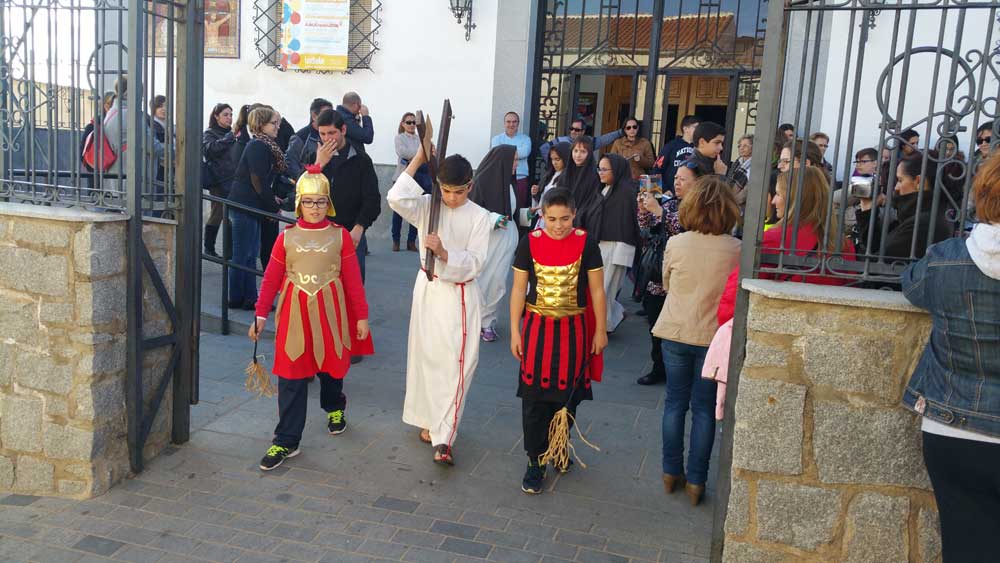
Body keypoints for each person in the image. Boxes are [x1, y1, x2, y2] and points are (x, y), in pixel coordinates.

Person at [899, 152, 1000, 563]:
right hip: (955, 431)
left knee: (964, 546)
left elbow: (911, 284)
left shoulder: (945, 260)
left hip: (953, 431)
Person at [248, 166, 374, 471]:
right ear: (299, 203)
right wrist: (261, 314)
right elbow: (271, 278)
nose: (314, 208)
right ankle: (287, 439)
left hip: (332, 310)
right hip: (294, 312)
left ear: (327, 202)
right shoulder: (286, 238)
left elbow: (353, 281)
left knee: (331, 367)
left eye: (320, 202)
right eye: (309, 201)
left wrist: (361, 317)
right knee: (291, 373)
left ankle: (334, 407)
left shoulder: (340, 236)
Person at [388, 134, 493, 466]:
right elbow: (395, 197)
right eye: (446, 190)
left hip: (457, 294)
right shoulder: (428, 205)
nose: (450, 198)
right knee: (425, 356)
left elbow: (476, 263)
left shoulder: (479, 217)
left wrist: (445, 252)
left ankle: (445, 436)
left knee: (456, 363)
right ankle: (429, 418)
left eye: (458, 192)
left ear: (470, 186)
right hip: (427, 290)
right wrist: (419, 158)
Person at [509, 187, 607, 494]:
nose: (558, 225)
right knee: (534, 399)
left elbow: (597, 291)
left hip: (574, 330)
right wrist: (514, 330)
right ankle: (535, 460)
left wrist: (600, 330)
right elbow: (518, 290)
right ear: (543, 215)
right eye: (551, 218)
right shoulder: (529, 242)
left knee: (567, 397)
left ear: (574, 215)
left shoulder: (586, 243)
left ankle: (560, 447)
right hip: (537, 329)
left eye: (565, 218)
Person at [652, 176, 741, 506]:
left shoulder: (677, 243)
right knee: (704, 410)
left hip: (675, 330)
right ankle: (697, 482)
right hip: (712, 338)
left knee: (674, 403)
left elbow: (666, 281)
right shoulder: (737, 250)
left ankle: (669, 472)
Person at [717, 166, 857, 325]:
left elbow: (735, 297)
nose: (773, 201)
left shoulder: (774, 240)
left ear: (794, 199)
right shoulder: (843, 245)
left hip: (777, 330)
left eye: (778, 194)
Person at [635, 161, 701, 385]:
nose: (677, 182)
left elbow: (683, 231)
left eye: (683, 179)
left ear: (697, 183)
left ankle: (680, 372)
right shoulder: (671, 203)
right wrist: (644, 210)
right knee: (655, 326)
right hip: (658, 273)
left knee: (678, 329)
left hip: (683, 277)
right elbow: (647, 230)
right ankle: (658, 368)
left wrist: (658, 211)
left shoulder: (700, 208)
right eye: (676, 178)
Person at [225, 107, 286, 310]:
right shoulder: (258, 145)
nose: (278, 127)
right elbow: (257, 179)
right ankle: (239, 298)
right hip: (245, 204)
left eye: (277, 122)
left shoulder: (263, 144)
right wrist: (271, 206)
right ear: (261, 125)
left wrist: (272, 199)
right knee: (243, 254)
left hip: (249, 204)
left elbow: (261, 181)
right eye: (273, 123)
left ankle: (247, 298)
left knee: (249, 253)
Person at [312, 108, 381, 282]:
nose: (327, 139)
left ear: (343, 130)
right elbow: (302, 193)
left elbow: (372, 200)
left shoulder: (361, 160)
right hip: (318, 233)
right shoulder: (314, 156)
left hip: (350, 233)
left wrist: (359, 228)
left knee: (352, 286)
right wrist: (318, 165)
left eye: (332, 133)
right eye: (322, 134)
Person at [578, 153, 640, 333]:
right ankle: (608, 320)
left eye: (605, 169)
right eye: (599, 168)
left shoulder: (626, 193)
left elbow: (627, 226)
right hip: (601, 246)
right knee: (601, 288)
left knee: (606, 289)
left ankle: (603, 325)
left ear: (617, 170)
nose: (600, 173)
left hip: (616, 248)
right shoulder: (605, 189)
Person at [856, 151, 953, 259]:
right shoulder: (918, 215)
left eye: (900, 180)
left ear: (918, 182)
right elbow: (878, 247)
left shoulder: (922, 224)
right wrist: (867, 210)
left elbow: (878, 262)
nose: (896, 187)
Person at [470, 145, 521, 343]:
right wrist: (493, 220)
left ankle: (488, 320)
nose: (516, 164)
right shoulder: (482, 181)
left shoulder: (508, 182)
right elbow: (473, 212)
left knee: (498, 282)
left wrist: (527, 214)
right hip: (488, 241)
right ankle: (476, 319)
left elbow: (512, 211)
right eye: (514, 160)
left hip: (506, 242)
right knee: (483, 280)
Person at [202, 103, 240, 257]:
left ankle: (229, 251)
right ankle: (209, 247)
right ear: (216, 116)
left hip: (233, 179)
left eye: (231, 115)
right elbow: (209, 150)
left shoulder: (233, 134)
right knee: (217, 213)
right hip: (218, 180)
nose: (229, 118)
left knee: (231, 216)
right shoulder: (210, 133)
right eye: (225, 114)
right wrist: (228, 138)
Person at [391, 112, 422, 252]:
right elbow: (403, 152)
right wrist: (418, 155)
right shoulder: (399, 138)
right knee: (398, 212)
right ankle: (396, 241)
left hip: (417, 177)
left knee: (416, 210)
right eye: (408, 122)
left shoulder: (419, 138)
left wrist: (415, 156)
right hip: (401, 178)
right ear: (403, 123)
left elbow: (426, 153)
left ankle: (411, 241)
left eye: (414, 122)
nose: (411, 125)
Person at [490, 111, 533, 209]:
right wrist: (516, 152)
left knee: (519, 206)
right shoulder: (496, 139)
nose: (511, 124)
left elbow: (525, 152)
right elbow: (497, 155)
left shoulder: (525, 139)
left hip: (520, 178)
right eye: (508, 122)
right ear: (504, 123)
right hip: (501, 178)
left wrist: (505, 151)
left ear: (518, 123)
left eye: (514, 122)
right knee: (501, 207)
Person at [285, 97, 333, 180]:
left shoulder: (333, 134)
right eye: (326, 114)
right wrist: (304, 180)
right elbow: (290, 162)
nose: (330, 118)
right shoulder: (301, 137)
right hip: (309, 185)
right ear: (314, 116)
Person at [538, 118, 622, 164]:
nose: (573, 131)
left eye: (577, 130)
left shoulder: (588, 141)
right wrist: (553, 163)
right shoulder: (560, 140)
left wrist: (620, 132)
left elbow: (604, 139)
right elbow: (543, 148)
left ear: (583, 131)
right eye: (572, 129)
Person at [529, 142, 571, 229]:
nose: (554, 163)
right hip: (542, 220)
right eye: (552, 159)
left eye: (557, 159)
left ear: (565, 158)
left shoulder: (569, 177)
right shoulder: (549, 175)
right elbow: (541, 198)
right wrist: (536, 193)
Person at [653, 115, 699, 193]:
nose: (699, 131)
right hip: (670, 195)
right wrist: (664, 190)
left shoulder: (700, 148)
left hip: (691, 196)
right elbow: (656, 170)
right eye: (696, 127)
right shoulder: (671, 146)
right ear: (685, 129)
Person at [565, 136, 603, 220]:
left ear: (589, 153)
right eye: (575, 151)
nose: (578, 155)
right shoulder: (566, 173)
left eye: (583, 151)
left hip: (584, 220)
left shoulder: (594, 176)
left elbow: (593, 201)